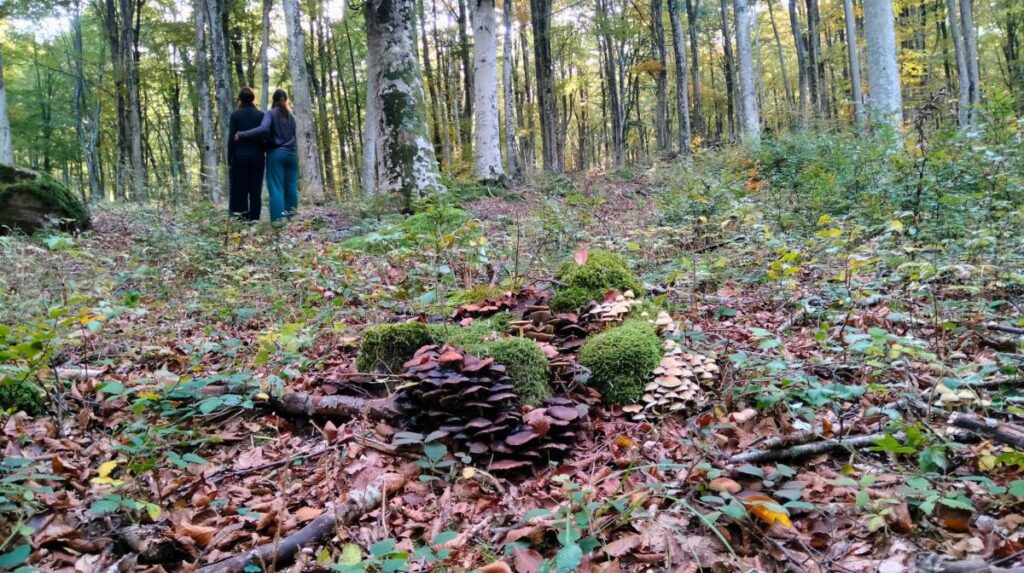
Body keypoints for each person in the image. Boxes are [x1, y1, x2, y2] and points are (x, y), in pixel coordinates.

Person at [235, 89, 298, 222]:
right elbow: (294, 136)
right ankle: (292, 219)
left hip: (276, 154)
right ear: (286, 100)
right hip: (292, 155)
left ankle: (278, 221)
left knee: (276, 188)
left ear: (273, 100)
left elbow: (263, 129)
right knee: (291, 187)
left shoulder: (270, 113)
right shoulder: (292, 117)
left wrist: (241, 134)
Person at [227, 87, 265, 221]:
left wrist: (229, 158)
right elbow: (264, 136)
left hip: (240, 158)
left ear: (240, 99)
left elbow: (231, 139)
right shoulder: (261, 115)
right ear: (253, 98)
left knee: (241, 191)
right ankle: (254, 221)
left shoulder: (235, 115)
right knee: (255, 192)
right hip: (257, 157)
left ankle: (243, 221)